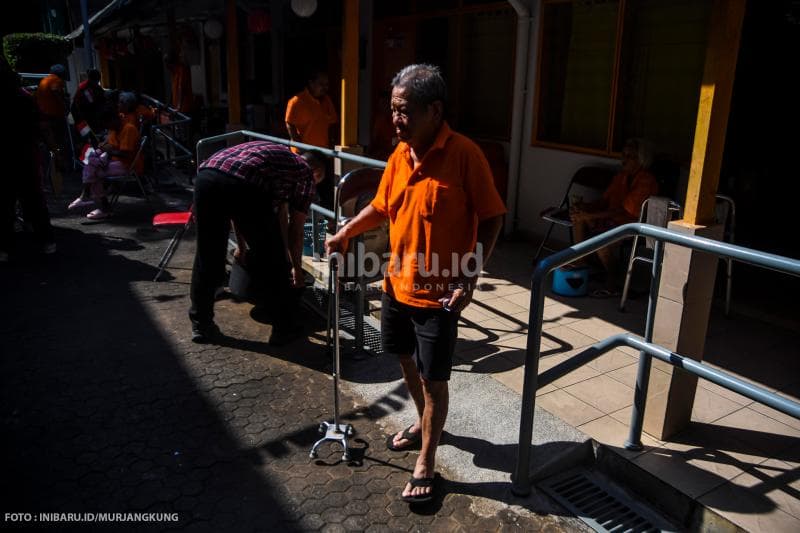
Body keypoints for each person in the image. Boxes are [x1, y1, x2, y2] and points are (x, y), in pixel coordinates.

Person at [325, 64, 505, 504]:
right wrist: (347, 230)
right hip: (396, 287)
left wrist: (470, 273)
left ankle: (426, 460)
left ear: (434, 110)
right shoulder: (399, 157)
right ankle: (426, 423)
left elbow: (492, 216)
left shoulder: (465, 155)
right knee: (405, 363)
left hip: (439, 295)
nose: (395, 120)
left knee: (433, 380)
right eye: (393, 110)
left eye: (403, 111)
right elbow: (383, 207)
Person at [188, 142, 327, 346]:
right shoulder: (305, 173)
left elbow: (240, 206)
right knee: (274, 261)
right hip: (244, 186)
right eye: (319, 179)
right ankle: (284, 328)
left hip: (208, 176)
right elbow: (295, 232)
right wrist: (296, 270)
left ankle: (201, 324)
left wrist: (243, 247)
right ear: (317, 170)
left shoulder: (276, 163)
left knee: (207, 256)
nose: (316, 184)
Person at [568, 138, 658, 295]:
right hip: (609, 220)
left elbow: (624, 212)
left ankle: (612, 279)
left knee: (603, 243)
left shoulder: (646, 181)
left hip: (631, 225)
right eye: (623, 155)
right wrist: (585, 208)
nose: (624, 159)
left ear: (641, 160)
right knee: (577, 218)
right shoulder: (621, 176)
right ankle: (580, 265)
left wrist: (590, 215)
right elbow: (605, 201)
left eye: (629, 156)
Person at [0, 57, 55, 261]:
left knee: (5, 203)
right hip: (26, 155)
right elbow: (43, 127)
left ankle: (5, 248)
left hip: (4, 157)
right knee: (34, 199)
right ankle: (47, 241)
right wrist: (54, 149)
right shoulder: (25, 98)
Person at [68, 93, 142, 220]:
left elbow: (126, 154)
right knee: (92, 162)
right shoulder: (114, 128)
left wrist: (108, 150)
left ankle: (93, 201)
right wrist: (102, 149)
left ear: (113, 120)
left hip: (127, 164)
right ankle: (97, 203)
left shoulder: (128, 129)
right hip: (114, 161)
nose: (107, 128)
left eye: (107, 124)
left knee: (94, 171)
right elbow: (110, 146)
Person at [285, 70, 338, 149]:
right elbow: (289, 123)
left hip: (324, 150)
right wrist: (299, 146)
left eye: (326, 84)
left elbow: (332, 123)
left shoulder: (327, 100)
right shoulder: (296, 101)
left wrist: (331, 143)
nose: (325, 87)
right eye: (321, 84)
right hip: (303, 151)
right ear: (311, 83)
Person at [35, 64, 69, 169]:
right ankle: (61, 163)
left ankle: (53, 163)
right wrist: (64, 104)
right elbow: (55, 91)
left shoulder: (44, 80)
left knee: (50, 141)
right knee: (60, 139)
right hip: (54, 116)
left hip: (43, 116)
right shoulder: (56, 80)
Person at [71, 69, 106, 135]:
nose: (98, 82)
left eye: (98, 80)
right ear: (90, 79)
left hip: (87, 109)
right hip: (78, 111)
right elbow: (92, 104)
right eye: (96, 80)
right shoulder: (83, 88)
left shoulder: (95, 86)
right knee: (85, 132)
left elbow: (101, 96)